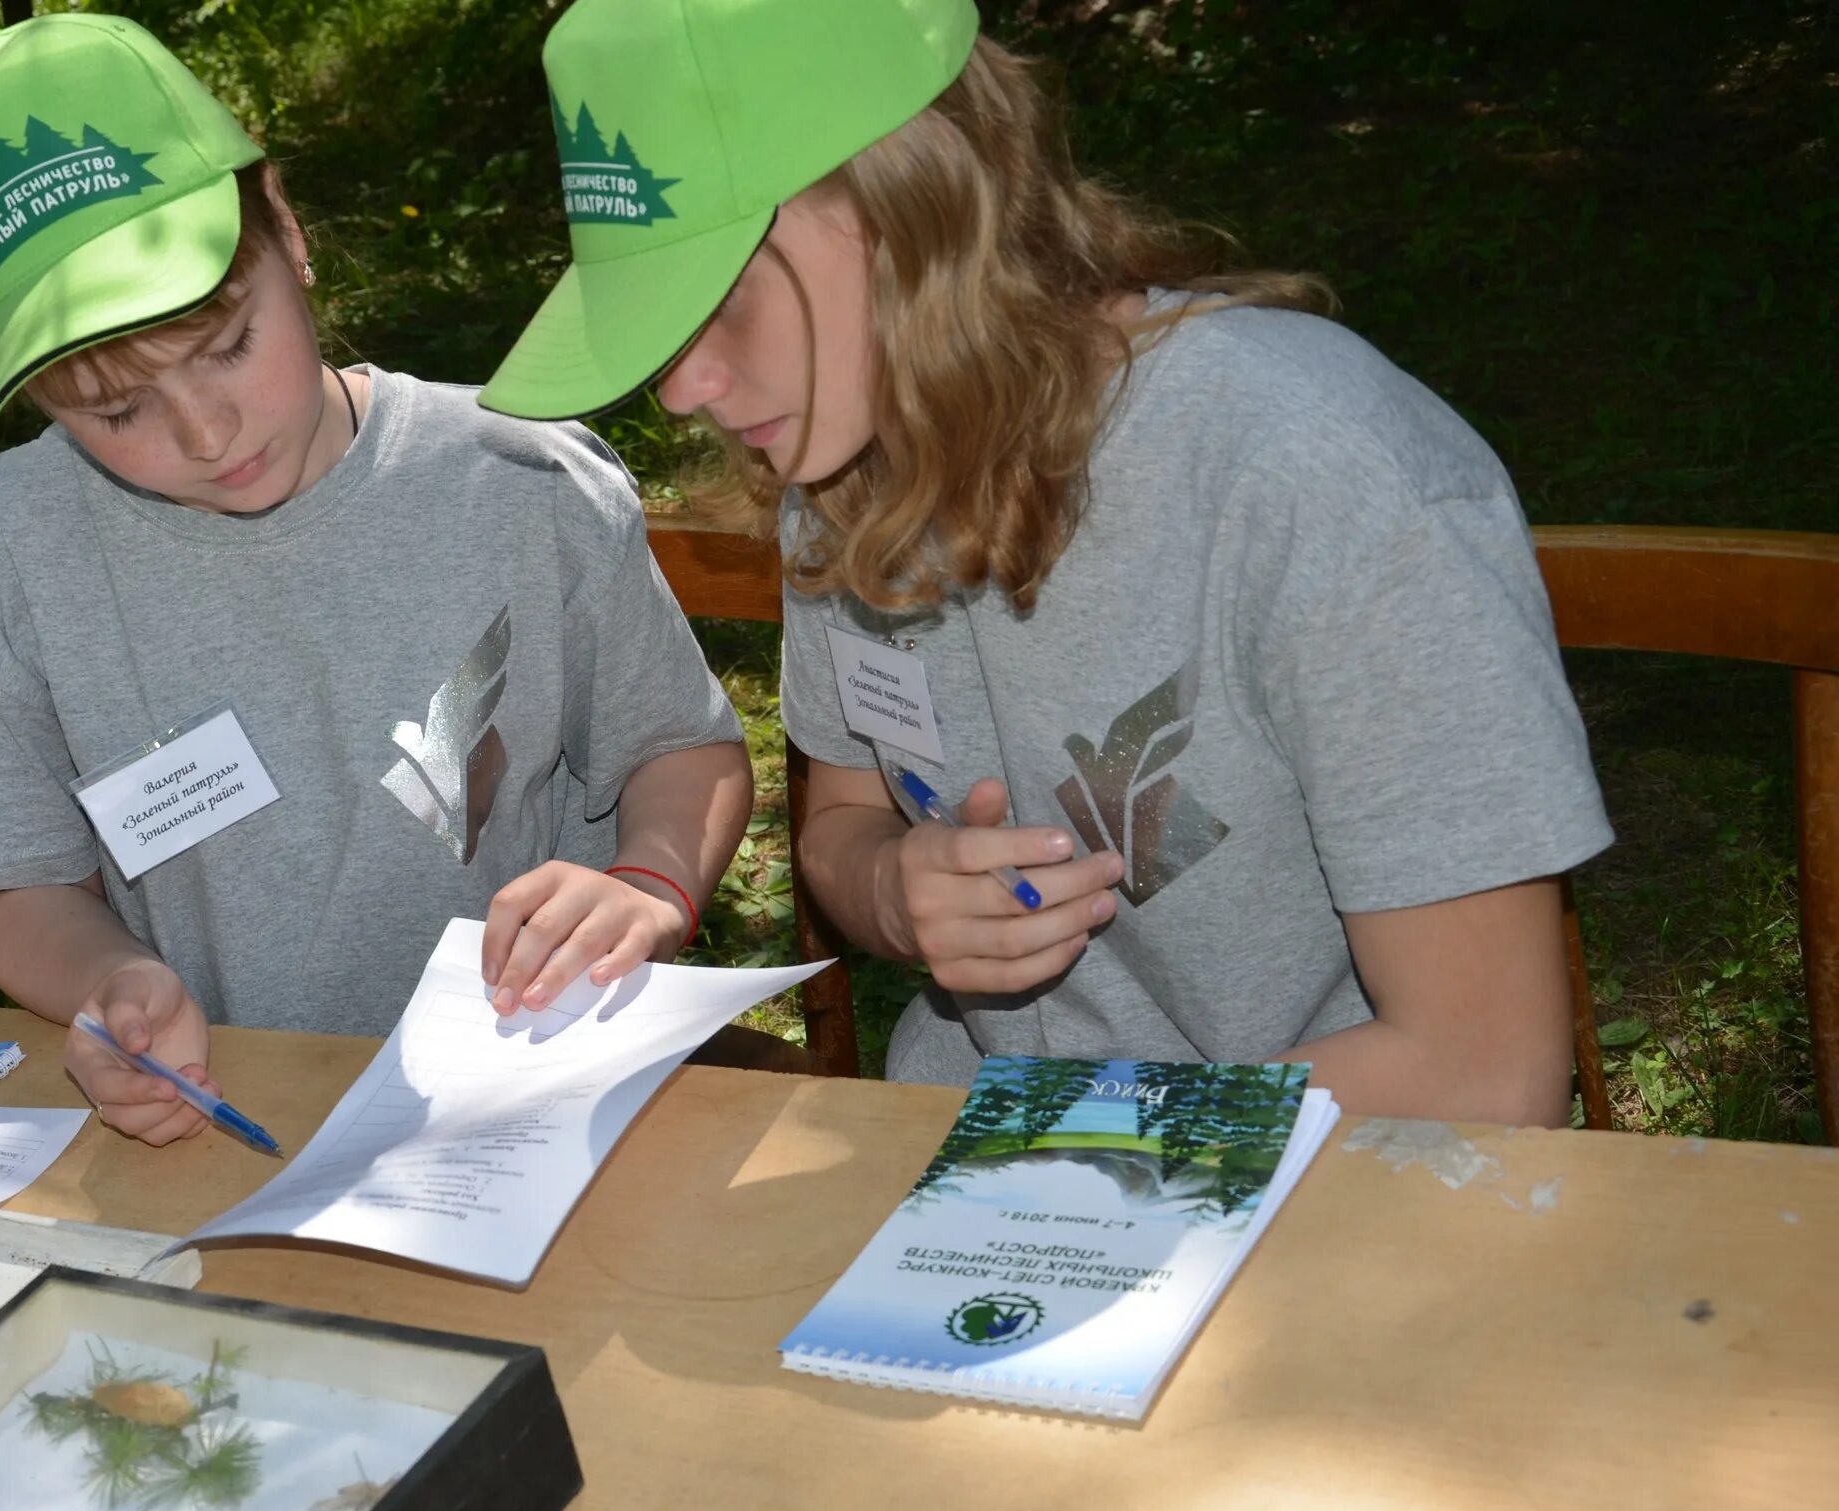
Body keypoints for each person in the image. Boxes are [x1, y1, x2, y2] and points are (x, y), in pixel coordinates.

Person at [483, 0, 1614, 1124]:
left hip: (1327, 1186)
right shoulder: (842, 466)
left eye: (722, 297)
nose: (681, 388)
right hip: (973, 1147)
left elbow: (1481, 1072)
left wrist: (1035, 1164)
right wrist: (896, 889)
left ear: (919, 208)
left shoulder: (1318, 474)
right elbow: (842, 823)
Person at [0, 16, 752, 1145]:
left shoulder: (514, 476)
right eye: (115, 409)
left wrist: (648, 884)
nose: (205, 433)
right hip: (243, 1114)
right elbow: (11, 885)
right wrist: (105, 982)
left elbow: (678, 746)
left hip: (535, 1089)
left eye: (229, 344)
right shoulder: (8, 550)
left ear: (286, 230)